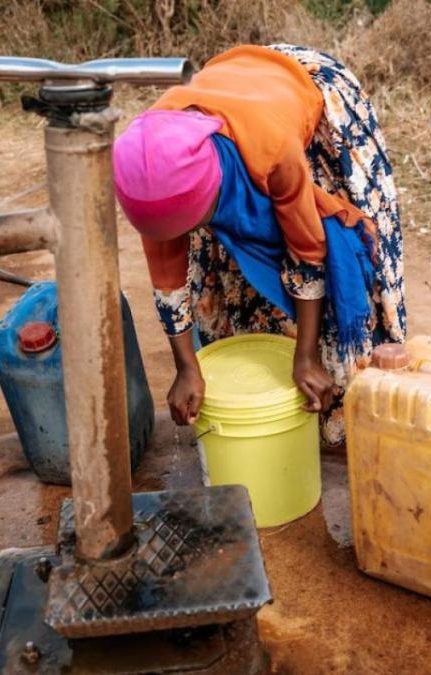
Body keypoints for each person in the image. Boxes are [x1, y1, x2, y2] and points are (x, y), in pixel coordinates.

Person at [112, 44, 406, 447]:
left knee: (347, 251)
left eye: (197, 220)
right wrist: (186, 366)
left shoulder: (270, 150)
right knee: (220, 264)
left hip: (305, 91)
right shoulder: (151, 168)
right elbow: (167, 278)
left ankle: (341, 401)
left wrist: (306, 355)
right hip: (236, 84)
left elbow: (308, 251)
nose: (192, 231)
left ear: (214, 190)